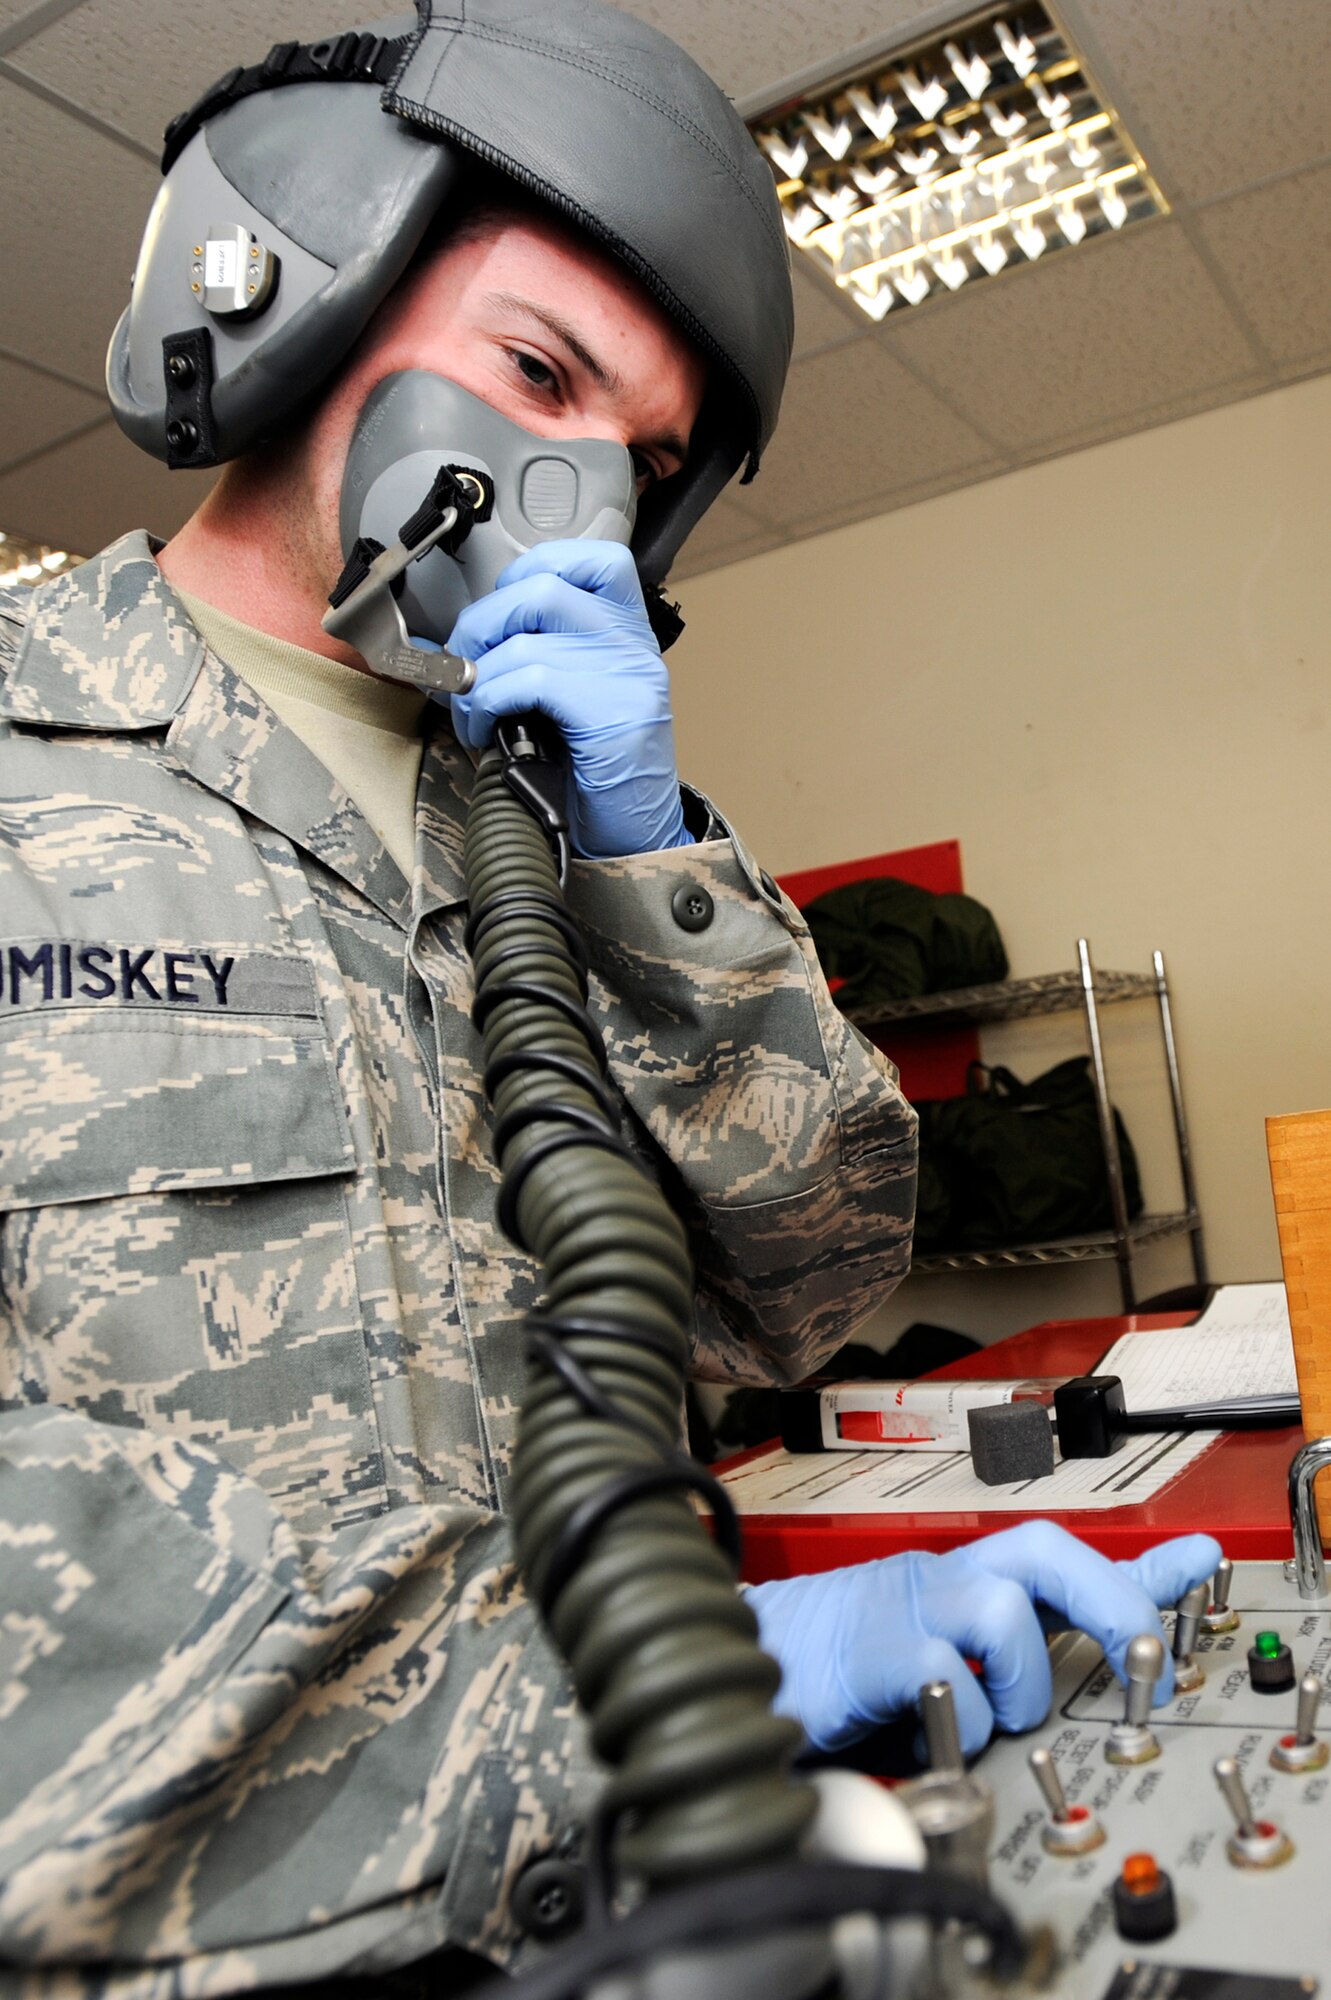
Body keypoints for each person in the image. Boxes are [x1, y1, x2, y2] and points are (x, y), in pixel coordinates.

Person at [0, 2, 1217, 1990]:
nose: (570, 486)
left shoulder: (568, 839)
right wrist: (595, 1723)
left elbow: (809, 1287)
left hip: (675, 1890)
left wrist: (640, 852)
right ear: (304, 294)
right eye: (533, 369)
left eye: (637, 464)